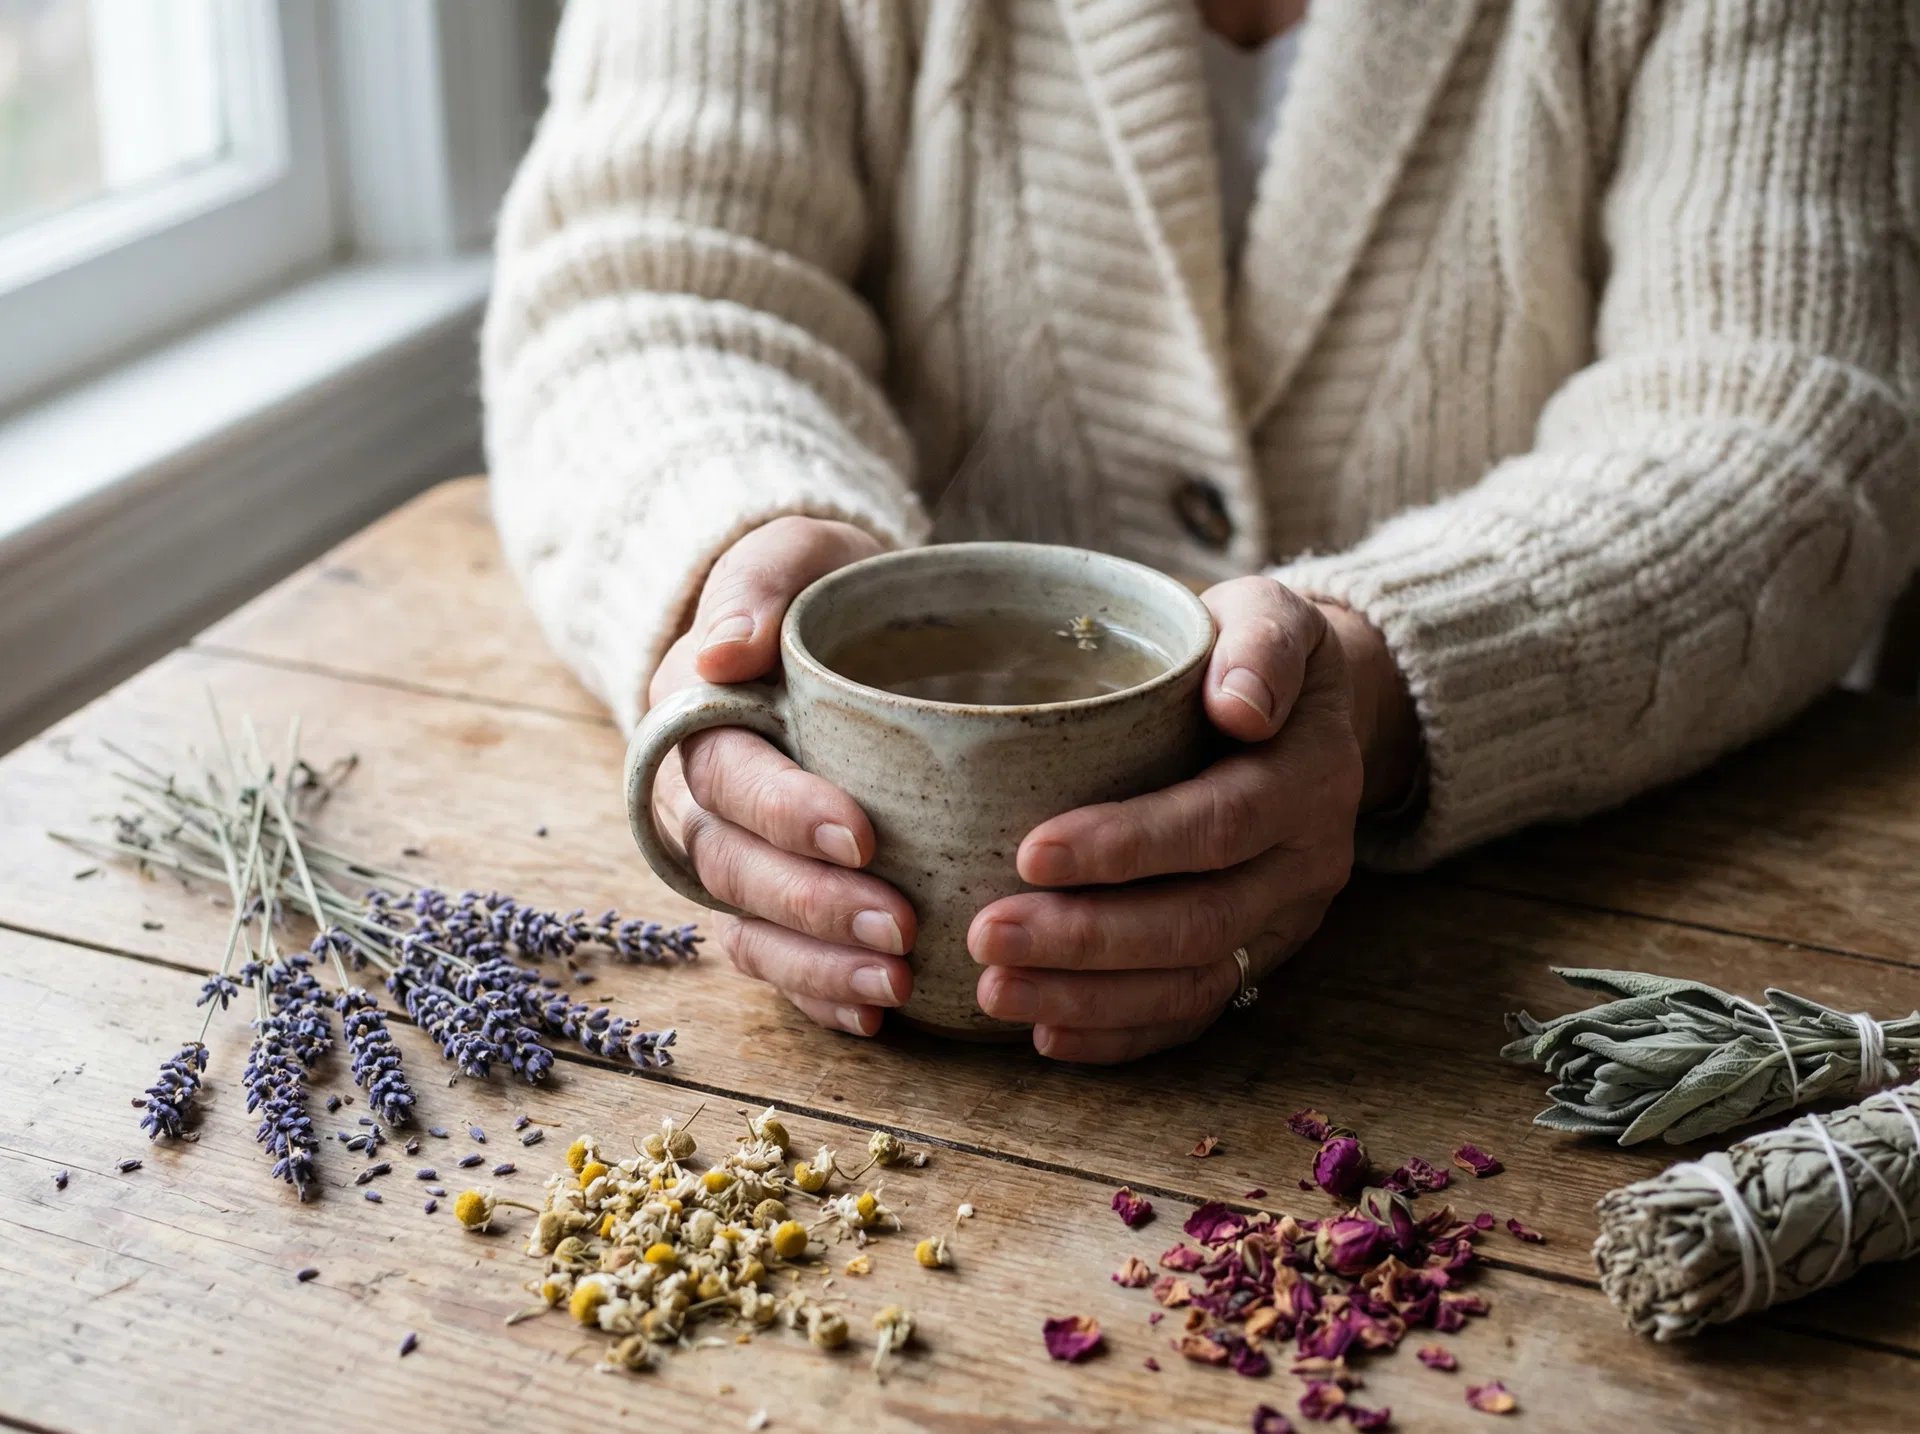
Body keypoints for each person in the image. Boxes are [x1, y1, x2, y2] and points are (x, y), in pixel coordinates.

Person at [482, 0, 1920, 1062]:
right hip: (858, 1057)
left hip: (1507, 1011)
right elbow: (643, 287)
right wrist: (733, 554)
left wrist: (1382, 681)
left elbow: (1788, 403)